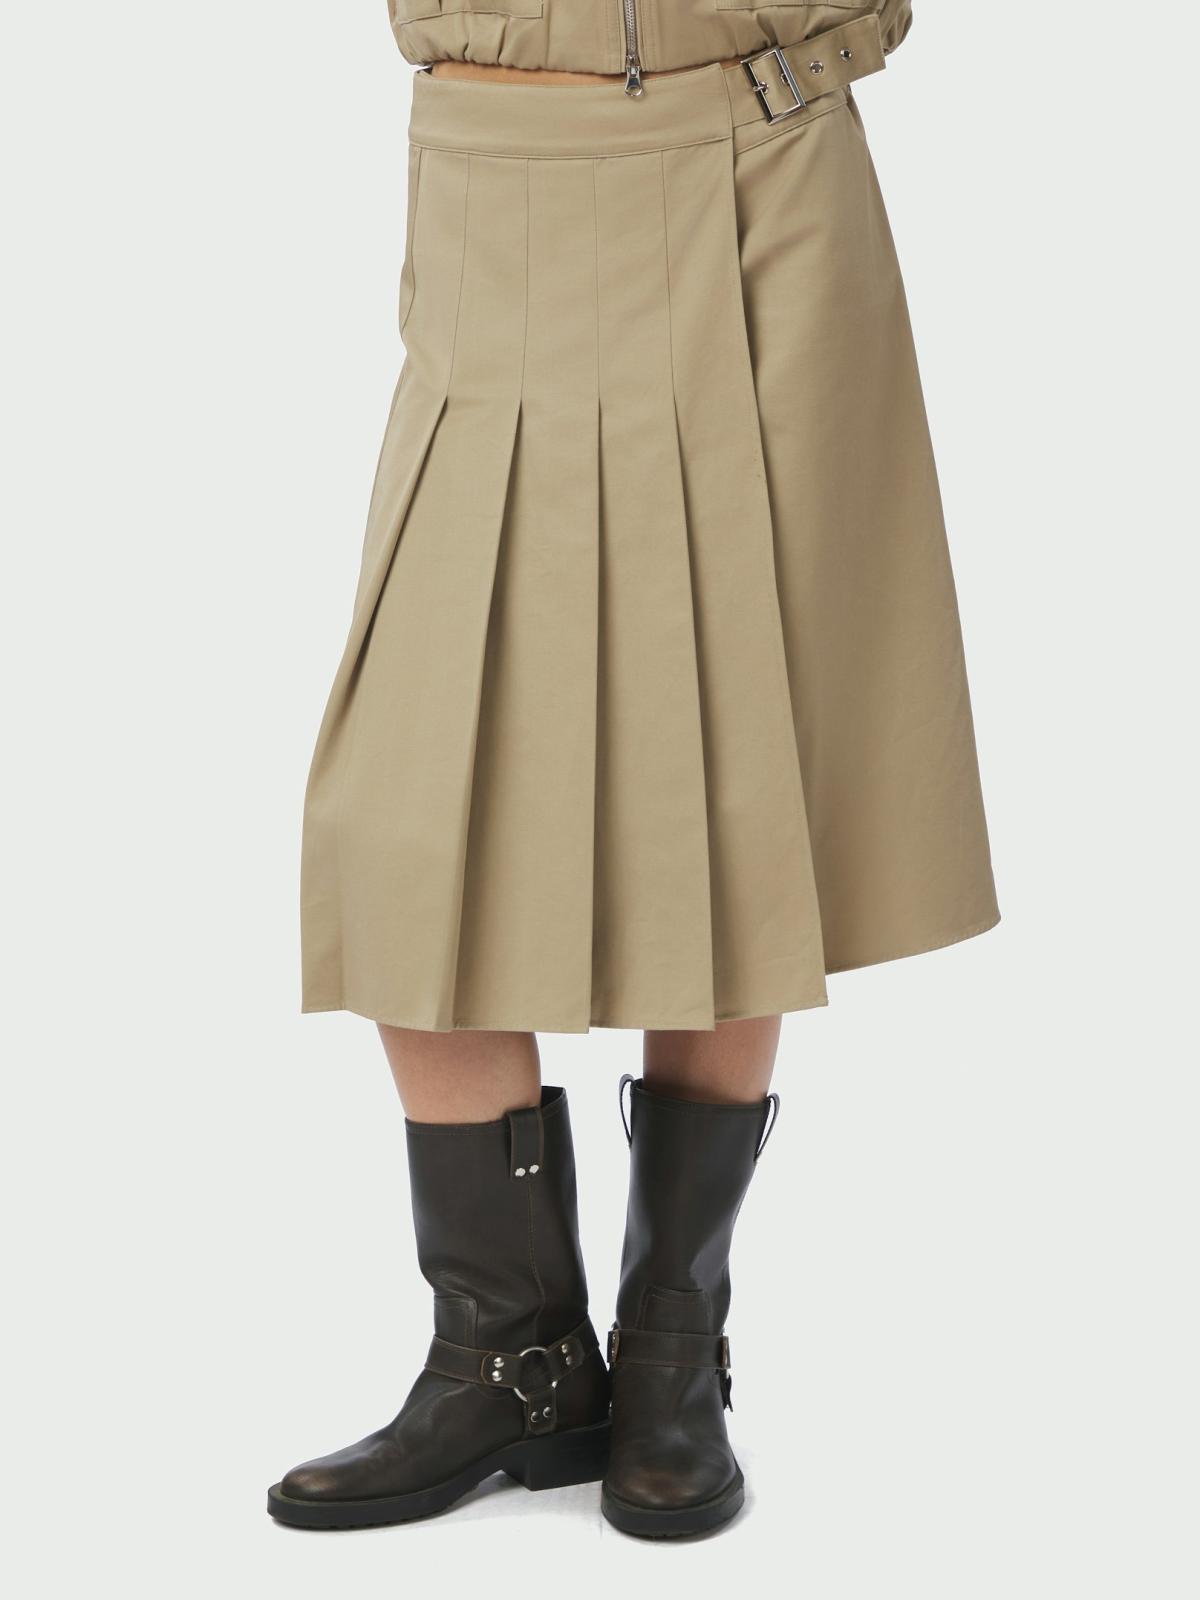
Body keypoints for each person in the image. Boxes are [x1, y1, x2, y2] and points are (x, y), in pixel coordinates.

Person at [267, 0, 997, 1540]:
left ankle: (671, 1354)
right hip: (496, 169)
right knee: (412, 801)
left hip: (766, 162)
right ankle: (511, 1358)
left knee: (738, 761)